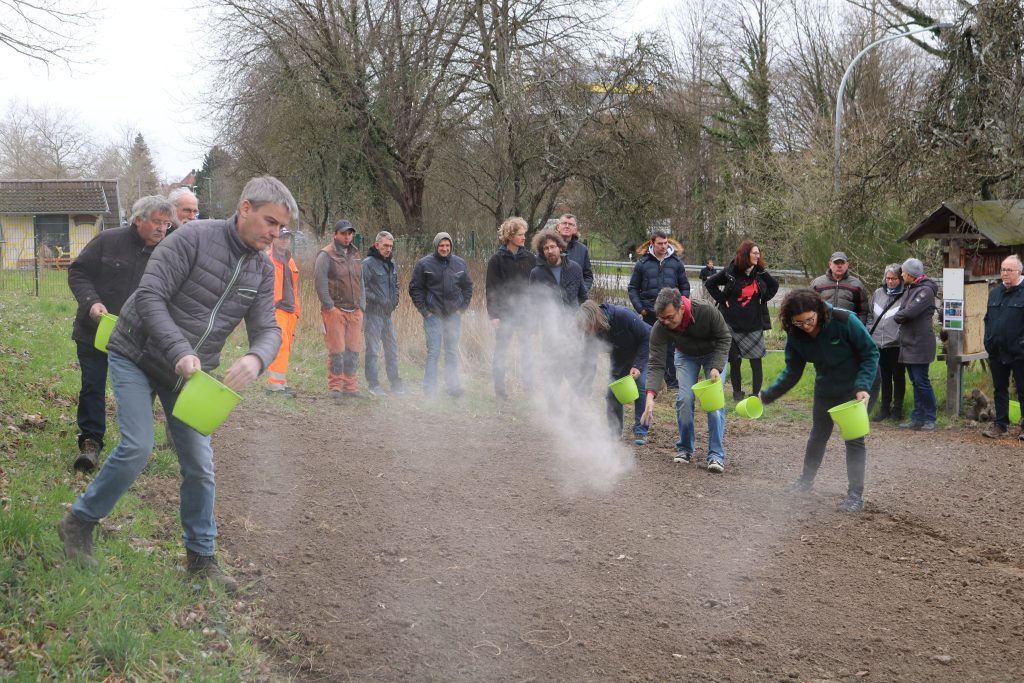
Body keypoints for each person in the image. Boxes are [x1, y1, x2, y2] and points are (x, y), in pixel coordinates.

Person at [57, 175, 294, 590]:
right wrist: (179, 348)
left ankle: (201, 558)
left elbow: (268, 326)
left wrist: (258, 357)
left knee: (200, 464)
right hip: (135, 349)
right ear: (245, 209)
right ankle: (79, 521)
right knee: (138, 445)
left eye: (281, 227)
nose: (275, 233)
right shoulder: (194, 238)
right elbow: (149, 296)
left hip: (187, 372)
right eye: (270, 222)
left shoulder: (260, 268)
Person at [66, 196, 174, 472]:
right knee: (93, 385)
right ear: (139, 219)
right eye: (157, 222)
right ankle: (90, 443)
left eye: (167, 223)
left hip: (136, 339)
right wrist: (92, 302)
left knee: (139, 392)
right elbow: (78, 272)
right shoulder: (108, 240)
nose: (163, 228)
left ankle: (136, 448)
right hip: (95, 330)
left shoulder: (169, 253)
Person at [760, 288, 879, 513]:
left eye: (809, 320)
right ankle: (805, 481)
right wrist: (767, 396)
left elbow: (870, 353)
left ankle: (855, 496)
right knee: (818, 435)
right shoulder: (796, 335)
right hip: (827, 384)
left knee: (853, 439)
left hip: (859, 385)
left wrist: (863, 386)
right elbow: (792, 372)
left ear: (819, 311)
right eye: (799, 323)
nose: (806, 326)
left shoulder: (844, 320)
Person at [640, 287, 732, 472]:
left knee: (713, 405)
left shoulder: (706, 311)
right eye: (661, 318)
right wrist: (650, 396)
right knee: (684, 399)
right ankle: (685, 448)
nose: (665, 322)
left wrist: (716, 366)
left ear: (681, 308)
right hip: (685, 356)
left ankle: (715, 455)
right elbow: (656, 363)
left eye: (669, 317)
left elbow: (724, 337)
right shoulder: (660, 327)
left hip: (713, 355)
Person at [705, 240, 779, 401]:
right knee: (735, 361)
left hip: (753, 324)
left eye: (759, 253)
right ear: (746, 254)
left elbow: (774, 286)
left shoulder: (760, 273)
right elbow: (710, 283)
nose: (758, 256)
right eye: (755, 253)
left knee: (756, 361)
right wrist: (722, 299)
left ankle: (754, 395)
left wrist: (763, 298)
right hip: (731, 324)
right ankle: (737, 393)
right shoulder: (731, 272)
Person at [577, 300, 651, 445]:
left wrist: (638, 365)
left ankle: (641, 431)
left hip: (641, 352)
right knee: (612, 395)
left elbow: (646, 336)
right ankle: (614, 432)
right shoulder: (590, 334)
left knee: (641, 388)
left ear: (594, 318)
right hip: (620, 357)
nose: (586, 330)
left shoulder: (622, 315)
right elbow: (588, 363)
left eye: (587, 325)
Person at [409, 232, 473, 397]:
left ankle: (453, 387)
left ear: (451, 246)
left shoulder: (460, 263)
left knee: (451, 351)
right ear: (436, 246)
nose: (444, 248)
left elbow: (468, 287)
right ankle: (429, 389)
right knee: (434, 351)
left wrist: (462, 308)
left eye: (447, 245)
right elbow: (415, 288)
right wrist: (424, 311)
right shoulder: (424, 264)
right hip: (433, 315)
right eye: (441, 245)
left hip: (453, 315)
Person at [628, 228, 690, 392]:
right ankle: (646, 383)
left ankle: (672, 384)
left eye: (666, 243)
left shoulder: (676, 263)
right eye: (660, 243)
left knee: (670, 349)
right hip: (649, 313)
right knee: (648, 348)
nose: (663, 246)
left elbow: (685, 287)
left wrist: (681, 308)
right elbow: (633, 288)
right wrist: (640, 308)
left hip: (671, 316)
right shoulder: (642, 264)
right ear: (652, 243)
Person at [485, 216, 537, 399]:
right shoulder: (496, 260)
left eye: (524, 234)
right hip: (504, 315)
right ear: (509, 236)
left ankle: (529, 391)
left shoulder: (530, 258)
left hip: (525, 316)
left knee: (527, 354)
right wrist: (494, 315)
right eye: (520, 234)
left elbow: (534, 290)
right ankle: (500, 392)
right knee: (501, 354)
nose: (524, 237)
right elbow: (491, 289)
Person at [315, 220, 365, 398]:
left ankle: (350, 387)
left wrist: (362, 307)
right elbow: (320, 283)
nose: (347, 237)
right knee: (337, 350)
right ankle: (335, 387)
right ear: (335, 234)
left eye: (350, 234)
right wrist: (329, 306)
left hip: (355, 311)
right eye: (343, 233)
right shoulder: (326, 255)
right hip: (335, 310)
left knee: (353, 350)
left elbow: (361, 281)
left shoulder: (356, 254)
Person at [893, 258, 938, 431]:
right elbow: (903, 312)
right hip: (910, 343)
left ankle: (930, 417)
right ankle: (917, 417)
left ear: (910, 274)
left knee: (921, 381)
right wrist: (901, 314)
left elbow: (908, 313)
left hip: (920, 344)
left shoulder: (925, 291)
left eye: (903, 272)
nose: (902, 275)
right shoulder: (912, 288)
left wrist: (899, 316)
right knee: (915, 382)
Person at [982, 255, 1024, 440]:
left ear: (1019, 271)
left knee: (1023, 389)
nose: (1005, 274)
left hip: (1019, 352)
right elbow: (988, 319)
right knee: (999, 389)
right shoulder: (995, 293)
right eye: (1003, 270)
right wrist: (988, 340)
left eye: (1009, 270)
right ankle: (1001, 425)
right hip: (997, 351)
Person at [362, 230, 404, 396]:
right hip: (372, 314)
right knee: (373, 350)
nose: (388, 249)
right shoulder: (367, 264)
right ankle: (373, 385)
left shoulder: (391, 263)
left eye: (391, 246)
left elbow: (395, 285)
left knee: (392, 349)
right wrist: (378, 301)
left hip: (387, 315)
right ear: (377, 244)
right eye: (385, 245)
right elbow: (361, 289)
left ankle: (395, 384)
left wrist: (395, 300)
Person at [865, 264, 906, 422]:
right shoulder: (877, 293)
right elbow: (870, 314)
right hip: (878, 343)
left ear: (900, 278)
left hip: (896, 344)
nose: (890, 281)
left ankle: (897, 409)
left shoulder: (905, 294)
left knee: (898, 376)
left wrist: (899, 335)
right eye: (888, 278)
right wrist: (870, 330)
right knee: (884, 377)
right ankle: (884, 408)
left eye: (894, 279)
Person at [266, 226, 300, 396]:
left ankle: (281, 382)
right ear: (273, 239)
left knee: (286, 347)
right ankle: (275, 385)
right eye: (281, 237)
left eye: (287, 237)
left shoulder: (290, 260)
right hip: (276, 309)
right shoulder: (267, 259)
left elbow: (294, 288)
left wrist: (296, 312)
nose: (285, 240)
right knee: (281, 345)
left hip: (290, 311)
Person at [529, 228, 587, 308]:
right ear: (542, 252)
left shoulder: (575, 268)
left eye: (552, 246)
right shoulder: (536, 273)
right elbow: (533, 302)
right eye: (546, 248)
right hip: (548, 319)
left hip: (573, 318)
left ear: (560, 247)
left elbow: (583, 298)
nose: (550, 251)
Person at [811, 251, 869, 323]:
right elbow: (810, 307)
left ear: (847, 265)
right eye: (836, 263)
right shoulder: (817, 283)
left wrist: (858, 327)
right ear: (830, 264)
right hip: (823, 327)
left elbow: (863, 311)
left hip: (847, 327)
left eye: (842, 263)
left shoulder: (856, 285)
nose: (839, 266)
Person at [555, 213, 593, 293]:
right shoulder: (548, 247)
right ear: (558, 227)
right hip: (552, 300)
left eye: (571, 224)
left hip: (576, 301)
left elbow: (588, 276)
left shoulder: (582, 250)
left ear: (575, 229)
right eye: (564, 223)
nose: (567, 226)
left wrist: (583, 292)